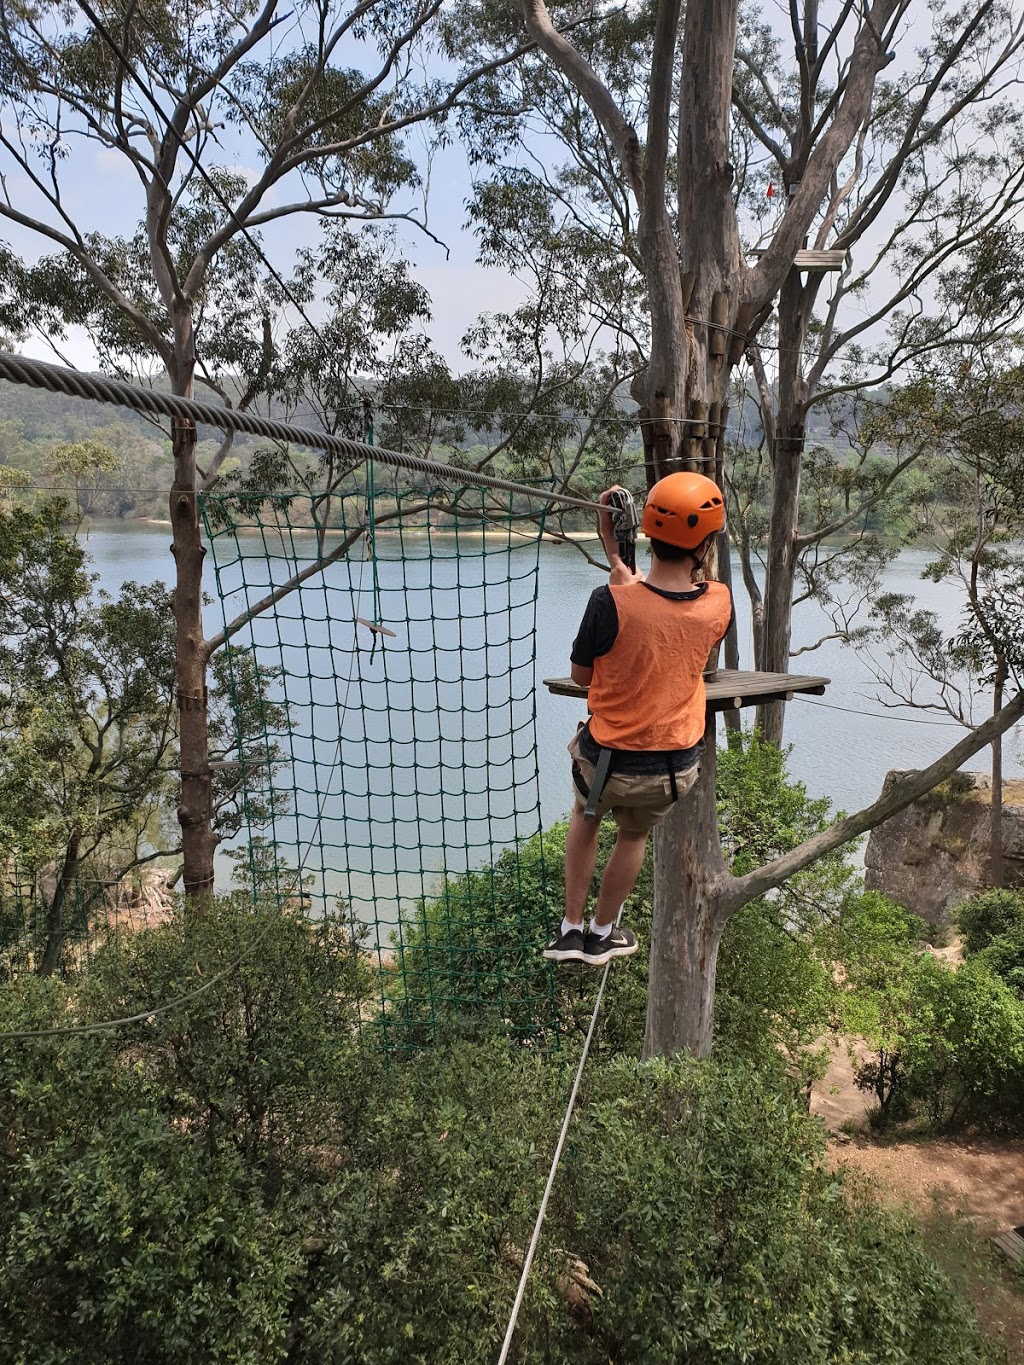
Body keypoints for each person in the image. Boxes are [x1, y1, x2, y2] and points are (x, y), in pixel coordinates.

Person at [543, 472, 733, 966]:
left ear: (647, 530)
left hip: (604, 766)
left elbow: (582, 676)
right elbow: (665, 611)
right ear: (706, 544)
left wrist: (616, 560)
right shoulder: (719, 602)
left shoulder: (609, 602)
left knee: (586, 818)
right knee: (633, 835)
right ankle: (603, 933)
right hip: (670, 770)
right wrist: (617, 560)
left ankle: (571, 929)